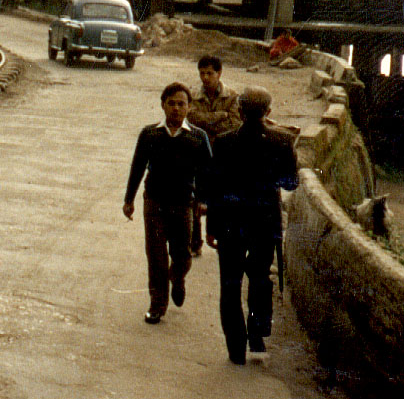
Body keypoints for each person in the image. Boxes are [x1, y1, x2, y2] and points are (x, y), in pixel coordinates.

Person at [206, 86, 299, 364]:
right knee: (259, 278)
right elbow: (290, 183)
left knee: (230, 285)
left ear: (239, 110)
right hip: (264, 222)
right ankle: (257, 334)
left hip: (230, 223)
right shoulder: (282, 141)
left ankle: (236, 349)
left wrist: (211, 227)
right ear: (268, 112)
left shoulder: (222, 142)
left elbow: (214, 188)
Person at [124, 83, 212, 324]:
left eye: (181, 104)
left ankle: (178, 278)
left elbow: (207, 173)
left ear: (189, 107)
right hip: (154, 202)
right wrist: (129, 200)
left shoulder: (198, 137)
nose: (175, 108)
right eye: (171, 103)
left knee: (182, 256)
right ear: (162, 105)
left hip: (184, 203)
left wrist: (204, 201)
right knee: (156, 256)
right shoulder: (149, 134)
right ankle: (157, 304)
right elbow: (137, 167)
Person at [186, 55, 242, 256]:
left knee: (220, 199)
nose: (205, 77)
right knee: (195, 196)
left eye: (210, 73)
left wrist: (207, 125)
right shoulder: (192, 96)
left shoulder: (233, 97)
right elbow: (192, 121)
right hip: (198, 154)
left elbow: (235, 126)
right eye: (202, 73)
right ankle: (195, 242)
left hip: (223, 156)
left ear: (219, 73)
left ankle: (221, 238)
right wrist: (219, 116)